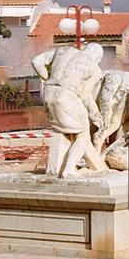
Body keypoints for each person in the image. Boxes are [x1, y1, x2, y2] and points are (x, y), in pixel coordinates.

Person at [31, 43, 107, 177]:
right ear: (97, 59)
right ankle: (69, 169)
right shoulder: (94, 68)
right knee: (83, 136)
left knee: (64, 130)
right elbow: (85, 95)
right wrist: (95, 114)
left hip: (48, 94)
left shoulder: (62, 50)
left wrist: (49, 79)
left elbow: (36, 62)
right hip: (68, 97)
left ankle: (91, 166)